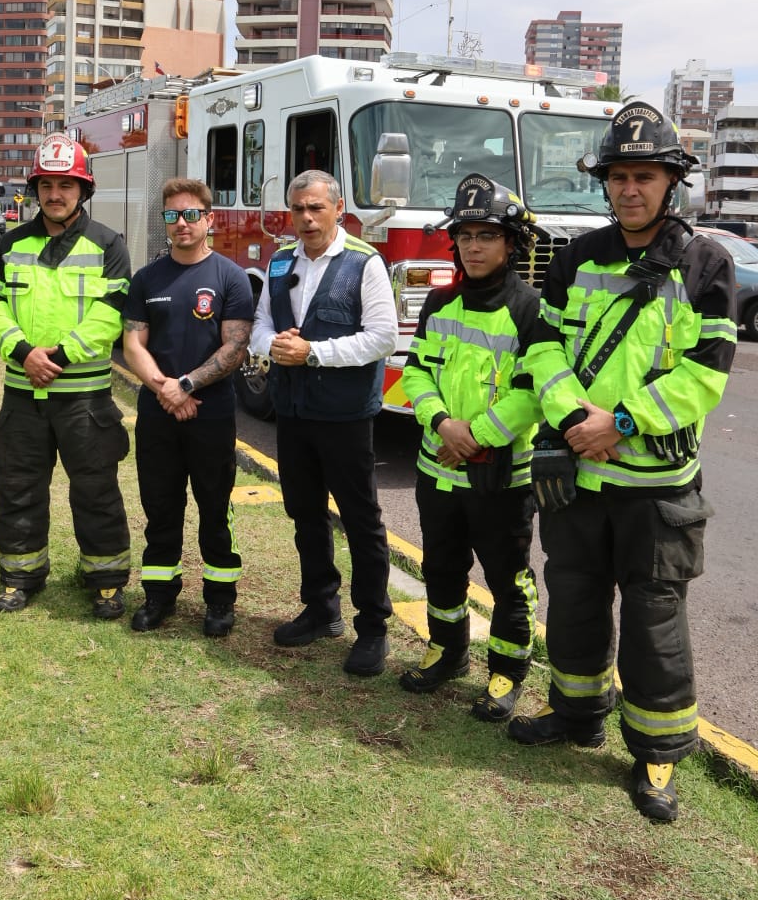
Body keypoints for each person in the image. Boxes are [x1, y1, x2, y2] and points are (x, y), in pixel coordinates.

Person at [509, 103, 737, 822]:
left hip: (655, 490)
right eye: (618, 176)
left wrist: (622, 423)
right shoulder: (575, 257)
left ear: (672, 181)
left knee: (654, 621)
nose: (629, 189)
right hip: (578, 476)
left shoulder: (706, 263)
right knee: (573, 601)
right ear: (604, 183)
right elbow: (543, 348)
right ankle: (576, 714)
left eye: (645, 176)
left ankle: (657, 753)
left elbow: (706, 373)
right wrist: (575, 420)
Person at [398, 175, 542, 719]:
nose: (474, 246)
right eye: (465, 236)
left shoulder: (533, 309)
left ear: (511, 243)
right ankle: (447, 651)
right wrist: (442, 424)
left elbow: (534, 394)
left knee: (509, 580)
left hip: (501, 479)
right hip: (438, 471)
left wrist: (473, 436)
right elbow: (416, 373)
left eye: (487, 235)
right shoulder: (439, 303)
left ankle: (507, 673)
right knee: (441, 567)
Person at [250, 169, 398, 676]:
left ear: (338, 209)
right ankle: (321, 609)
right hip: (293, 412)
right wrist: (271, 345)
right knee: (305, 514)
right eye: (298, 209)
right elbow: (261, 323)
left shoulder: (364, 262)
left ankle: (373, 627)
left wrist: (312, 352)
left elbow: (383, 337)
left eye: (316, 208)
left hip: (344, 415)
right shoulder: (280, 261)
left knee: (361, 522)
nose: (307, 218)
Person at [0, 133, 131, 618]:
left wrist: (60, 357)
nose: (55, 194)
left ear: (83, 190)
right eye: (46, 184)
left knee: (96, 490)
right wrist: (24, 353)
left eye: (66, 184)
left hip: (85, 399)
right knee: (18, 488)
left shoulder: (108, 244)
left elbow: (111, 314)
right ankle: (20, 577)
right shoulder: (10, 244)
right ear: (35, 189)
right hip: (22, 395)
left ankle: (105, 581)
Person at [122, 179, 253, 636]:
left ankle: (220, 600)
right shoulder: (147, 278)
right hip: (158, 411)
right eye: (172, 215)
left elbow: (235, 347)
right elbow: (133, 344)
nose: (182, 223)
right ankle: (159, 595)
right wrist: (166, 389)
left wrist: (187, 385)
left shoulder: (231, 277)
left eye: (191, 214)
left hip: (211, 413)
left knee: (215, 508)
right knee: (160, 507)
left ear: (209, 219)